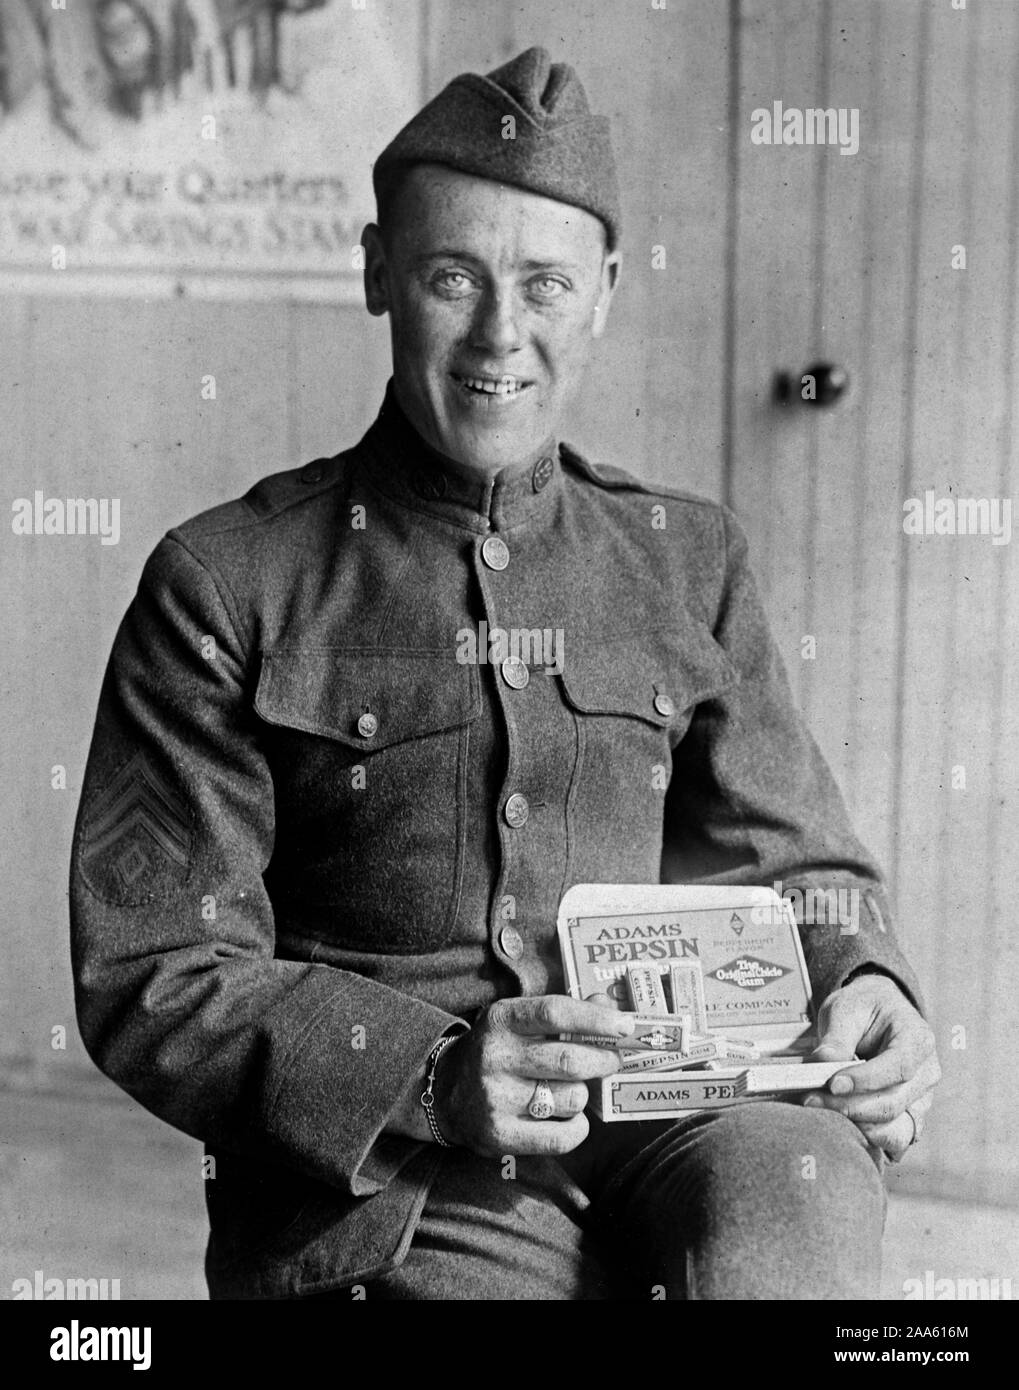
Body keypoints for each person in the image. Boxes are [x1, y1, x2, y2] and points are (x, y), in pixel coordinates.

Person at [69, 45, 940, 1300]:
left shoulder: (686, 561)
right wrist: (430, 1071)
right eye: (451, 276)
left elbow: (796, 863)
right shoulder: (227, 583)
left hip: (679, 1113)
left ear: (602, 295)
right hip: (401, 1172)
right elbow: (151, 968)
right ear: (378, 274)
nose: (499, 336)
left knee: (790, 1218)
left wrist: (865, 977)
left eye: (542, 284)